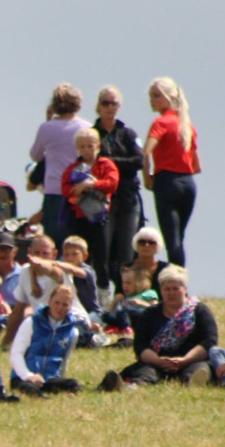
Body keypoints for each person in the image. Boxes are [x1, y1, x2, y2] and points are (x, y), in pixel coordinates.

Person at [101, 265, 215, 389]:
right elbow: (140, 345)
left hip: (191, 360)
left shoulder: (200, 311)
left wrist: (185, 360)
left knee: (198, 370)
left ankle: (194, 385)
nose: (171, 293)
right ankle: (128, 387)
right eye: (167, 289)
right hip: (156, 362)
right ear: (161, 290)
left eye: (175, 289)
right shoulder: (149, 314)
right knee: (145, 373)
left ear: (185, 289)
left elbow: (209, 341)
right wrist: (159, 361)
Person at [143, 77, 200, 268]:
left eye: (157, 96)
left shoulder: (161, 122)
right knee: (178, 237)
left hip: (167, 181)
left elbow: (146, 152)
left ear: (169, 97)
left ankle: (176, 279)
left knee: (172, 239)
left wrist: (147, 176)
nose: (152, 101)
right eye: (151, 96)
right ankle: (178, 277)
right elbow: (194, 161)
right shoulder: (187, 125)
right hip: (188, 183)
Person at [93, 86, 144, 295]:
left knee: (126, 250)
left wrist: (109, 162)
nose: (109, 107)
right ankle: (103, 291)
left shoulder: (128, 133)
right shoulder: (92, 133)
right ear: (98, 106)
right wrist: (119, 164)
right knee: (102, 249)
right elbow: (91, 162)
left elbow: (139, 160)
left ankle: (123, 295)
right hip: (102, 199)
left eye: (113, 103)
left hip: (127, 198)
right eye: (105, 103)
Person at [61, 128, 120, 294]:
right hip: (79, 216)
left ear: (98, 146)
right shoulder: (74, 168)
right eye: (82, 146)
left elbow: (112, 183)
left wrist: (92, 184)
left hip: (100, 217)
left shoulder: (106, 164)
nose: (87, 150)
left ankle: (103, 293)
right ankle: (77, 291)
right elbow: (65, 188)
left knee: (101, 258)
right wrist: (76, 190)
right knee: (77, 254)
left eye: (90, 146)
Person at [29, 83, 88, 248]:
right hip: (79, 190)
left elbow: (35, 155)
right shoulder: (86, 127)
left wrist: (48, 121)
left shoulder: (47, 128)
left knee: (54, 242)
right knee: (76, 243)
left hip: (54, 190)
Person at [9, 285, 84, 396]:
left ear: (70, 307)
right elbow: (16, 354)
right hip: (24, 377)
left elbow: (64, 360)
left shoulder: (72, 332)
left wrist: (61, 380)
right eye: (56, 303)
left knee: (74, 384)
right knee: (30, 389)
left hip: (49, 379)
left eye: (65, 305)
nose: (60, 308)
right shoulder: (31, 322)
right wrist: (28, 376)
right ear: (49, 301)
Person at [102, 265, 157, 343]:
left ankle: (126, 329)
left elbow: (155, 308)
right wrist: (115, 302)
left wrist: (141, 303)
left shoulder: (149, 293)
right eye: (123, 283)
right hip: (126, 317)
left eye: (128, 283)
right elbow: (111, 311)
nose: (124, 286)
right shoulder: (127, 296)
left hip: (141, 317)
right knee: (106, 315)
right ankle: (116, 327)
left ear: (140, 283)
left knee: (124, 312)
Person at [128, 226, 169, 292]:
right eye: (142, 242)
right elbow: (119, 293)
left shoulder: (166, 269)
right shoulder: (127, 268)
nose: (146, 245)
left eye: (151, 242)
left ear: (158, 246)